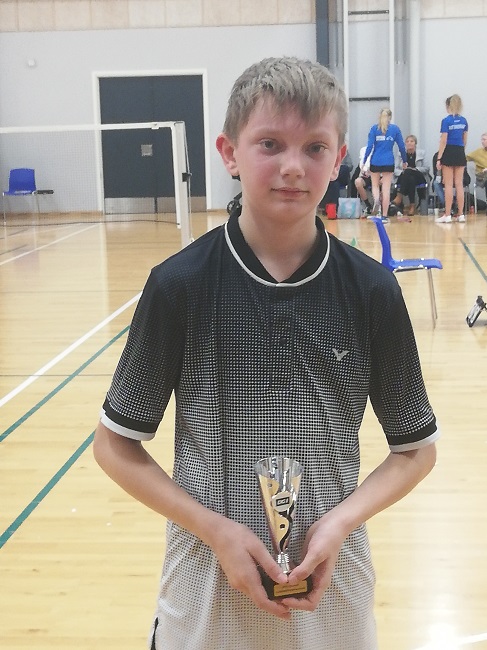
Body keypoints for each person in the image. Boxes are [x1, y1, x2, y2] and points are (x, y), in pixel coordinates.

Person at [93, 57, 439, 650]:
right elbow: (113, 446)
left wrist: (340, 522)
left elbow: (416, 451)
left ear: (339, 157)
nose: (293, 166)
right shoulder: (179, 285)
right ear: (229, 153)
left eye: (315, 148)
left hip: (333, 587)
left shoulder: (373, 291)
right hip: (205, 588)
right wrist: (214, 529)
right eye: (270, 144)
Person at [362, 108, 407, 217]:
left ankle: (377, 202)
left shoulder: (374, 129)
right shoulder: (395, 129)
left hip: (375, 160)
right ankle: (385, 215)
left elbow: (369, 147)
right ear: (390, 117)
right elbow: (401, 146)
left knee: (375, 186)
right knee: (386, 189)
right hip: (388, 161)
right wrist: (404, 160)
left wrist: (364, 161)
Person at [435, 94, 468, 223]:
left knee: (448, 184)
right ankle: (461, 214)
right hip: (460, 151)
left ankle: (447, 214)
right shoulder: (464, 121)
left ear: (448, 106)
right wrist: (461, 151)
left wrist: (439, 158)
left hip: (449, 151)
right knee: (459, 184)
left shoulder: (446, 121)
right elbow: (464, 140)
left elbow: (443, 141)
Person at [393, 135, 430, 217]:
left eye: (411, 141)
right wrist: (403, 171)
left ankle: (399, 196)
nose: (409, 143)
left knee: (409, 171)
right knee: (410, 178)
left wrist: (415, 169)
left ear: (415, 143)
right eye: (407, 141)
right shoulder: (400, 154)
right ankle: (412, 206)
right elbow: (394, 169)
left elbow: (427, 168)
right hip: (405, 177)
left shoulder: (422, 153)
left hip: (419, 176)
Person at [318, 150, 353, 214]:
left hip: (341, 176)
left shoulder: (345, 151)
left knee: (344, 168)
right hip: (330, 176)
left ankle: (325, 206)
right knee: (335, 184)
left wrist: (339, 167)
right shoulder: (326, 151)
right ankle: (334, 209)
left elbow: (350, 166)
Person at [353, 146, 373, 214]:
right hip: (367, 175)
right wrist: (364, 170)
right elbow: (362, 164)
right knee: (358, 182)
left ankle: (383, 206)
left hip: (379, 175)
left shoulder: (381, 149)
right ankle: (367, 205)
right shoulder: (364, 149)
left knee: (383, 183)